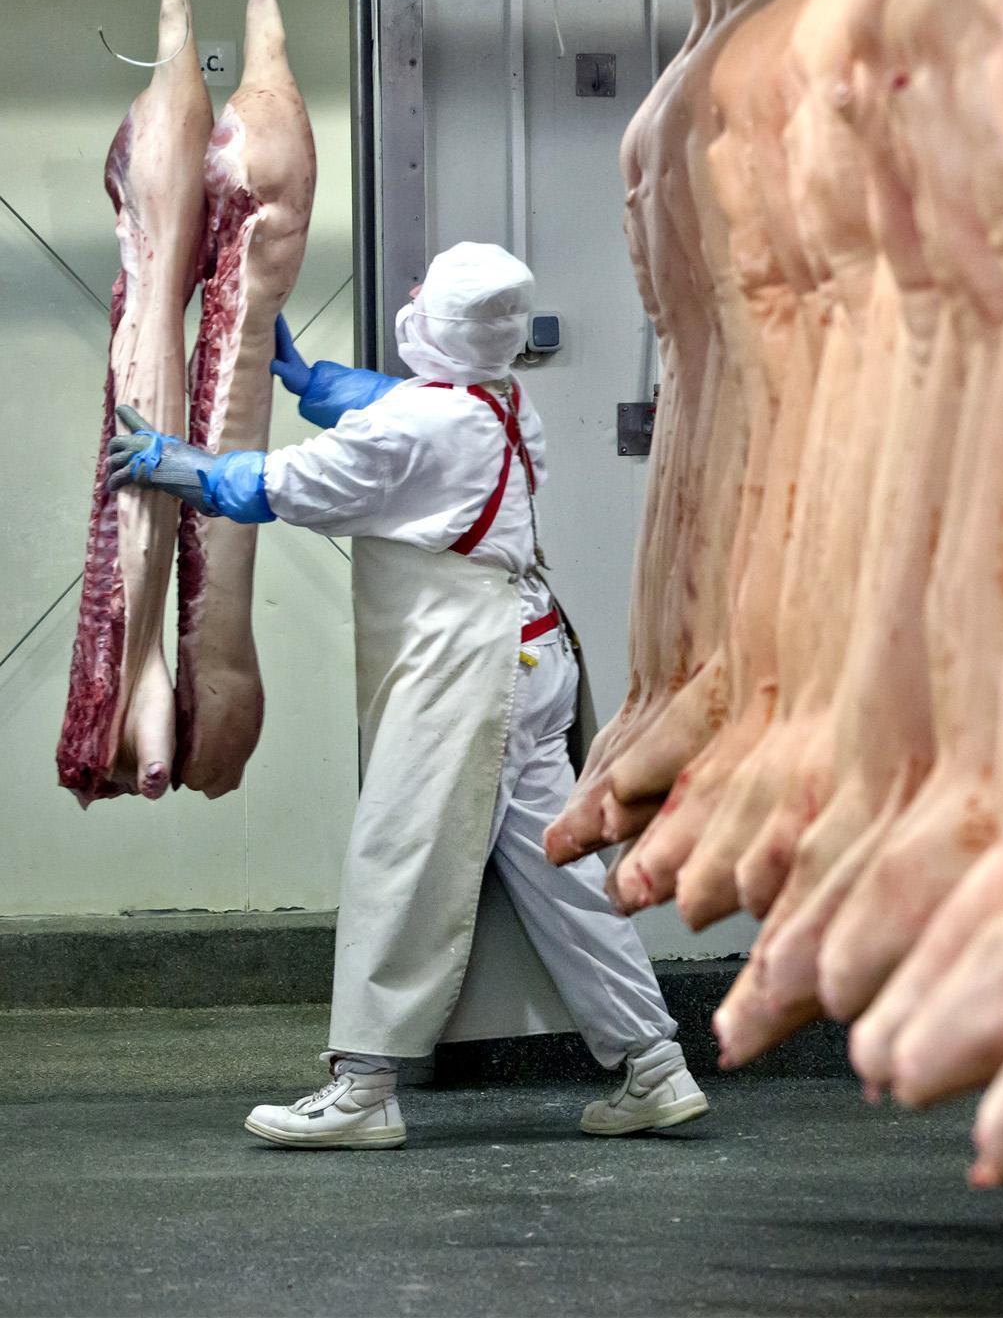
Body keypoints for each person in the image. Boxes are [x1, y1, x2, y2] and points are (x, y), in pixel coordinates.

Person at [107, 241, 705, 1150]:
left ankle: (365, 1085)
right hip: (530, 657)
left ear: (436, 325)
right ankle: (655, 1066)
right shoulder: (500, 399)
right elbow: (397, 407)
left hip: (468, 675)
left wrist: (183, 465)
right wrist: (313, 381)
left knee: (400, 854)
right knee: (562, 874)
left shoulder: (425, 428)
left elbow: (295, 484)